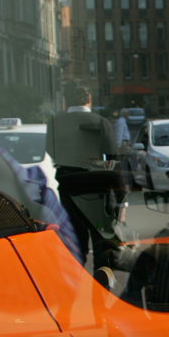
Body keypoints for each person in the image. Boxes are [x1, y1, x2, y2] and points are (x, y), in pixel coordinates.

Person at [46, 81, 121, 262]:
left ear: (66, 101)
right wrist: (121, 199)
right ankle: (100, 288)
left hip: (68, 194)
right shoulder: (102, 123)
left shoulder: (55, 123)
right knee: (103, 248)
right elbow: (113, 163)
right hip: (97, 196)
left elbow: (50, 152)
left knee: (75, 250)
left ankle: (76, 288)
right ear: (88, 99)